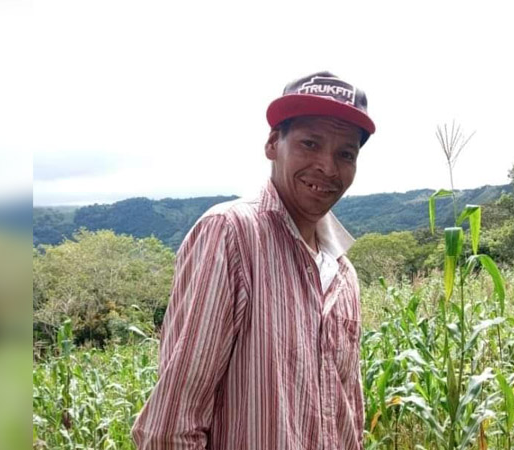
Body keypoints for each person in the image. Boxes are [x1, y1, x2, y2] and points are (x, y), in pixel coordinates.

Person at [131, 71, 376, 450]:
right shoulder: (230, 235)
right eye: (310, 143)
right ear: (273, 144)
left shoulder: (344, 274)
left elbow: (348, 418)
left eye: (345, 154)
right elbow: (170, 428)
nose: (328, 167)